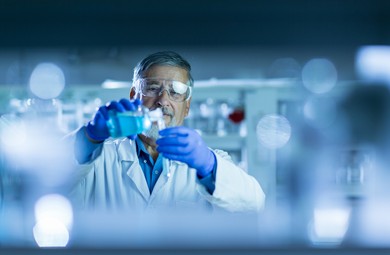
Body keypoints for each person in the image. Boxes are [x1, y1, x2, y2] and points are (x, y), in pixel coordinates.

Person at [69, 51, 265, 213]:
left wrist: (208, 164)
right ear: (133, 96)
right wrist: (88, 138)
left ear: (186, 107)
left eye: (175, 92)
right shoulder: (100, 159)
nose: (163, 100)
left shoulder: (208, 162)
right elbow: (52, 177)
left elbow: (254, 204)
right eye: (153, 88)